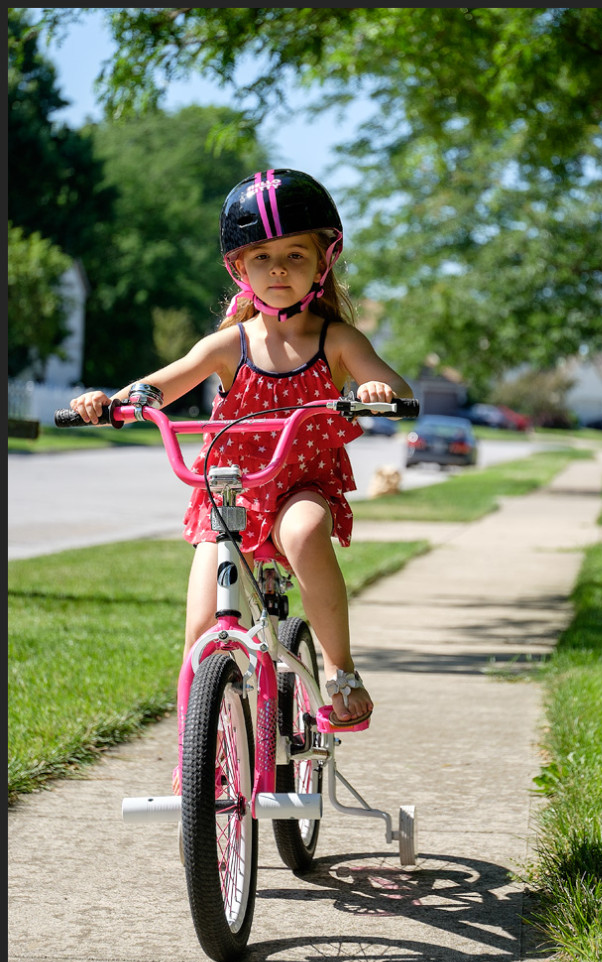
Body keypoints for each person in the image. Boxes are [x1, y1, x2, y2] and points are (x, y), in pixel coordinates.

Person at [70, 167, 413, 728]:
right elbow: (165, 382)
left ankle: (339, 668)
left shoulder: (338, 342)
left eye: (295, 255)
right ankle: (197, 757)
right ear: (239, 268)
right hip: (228, 495)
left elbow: (396, 389)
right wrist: (110, 401)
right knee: (203, 628)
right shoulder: (230, 343)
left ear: (323, 263)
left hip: (300, 484)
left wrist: (377, 391)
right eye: (261, 257)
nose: (278, 268)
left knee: (303, 533)